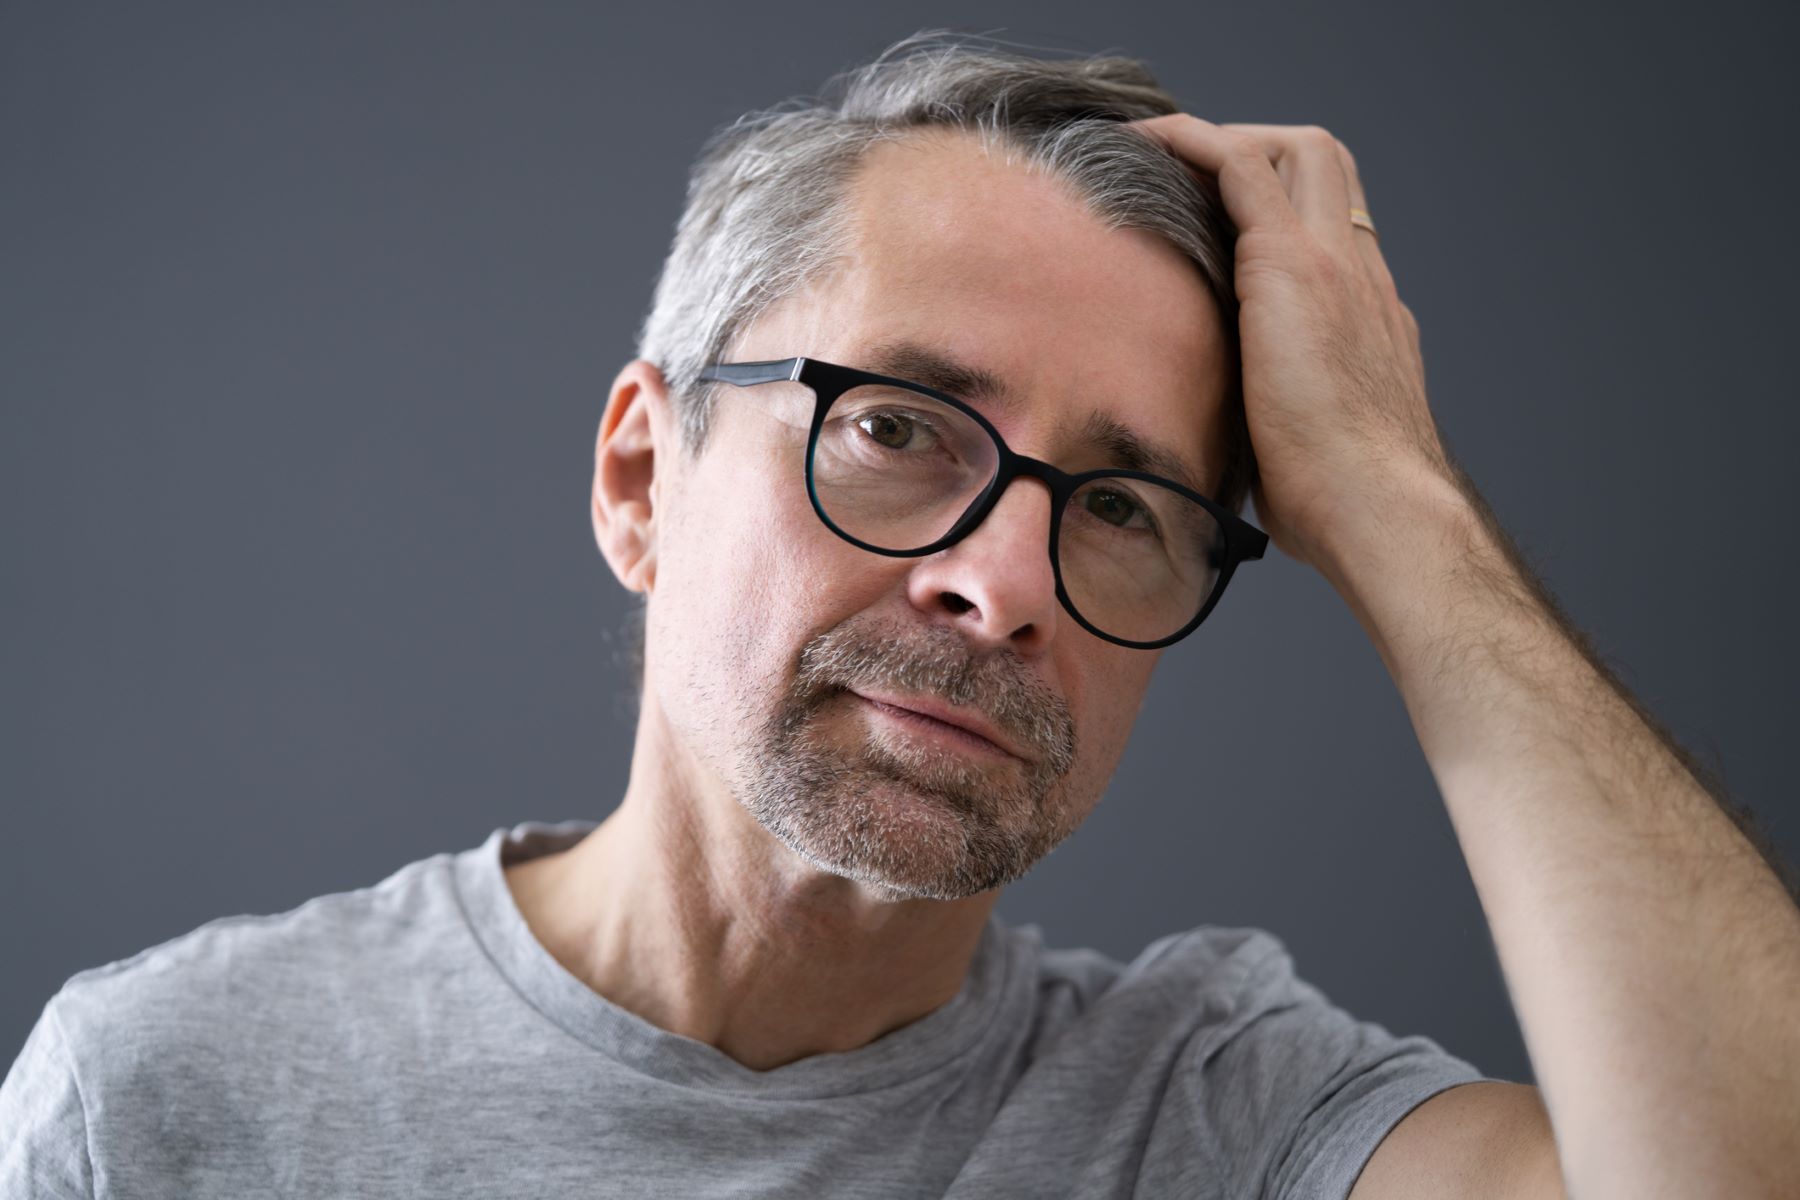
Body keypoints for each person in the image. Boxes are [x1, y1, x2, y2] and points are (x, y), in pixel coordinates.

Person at [5, 28, 1797, 1200]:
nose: (1005, 580)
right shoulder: (171, 1102)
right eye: (893, 430)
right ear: (643, 479)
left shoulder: (1220, 1122)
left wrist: (1400, 504)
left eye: (1120, 506)